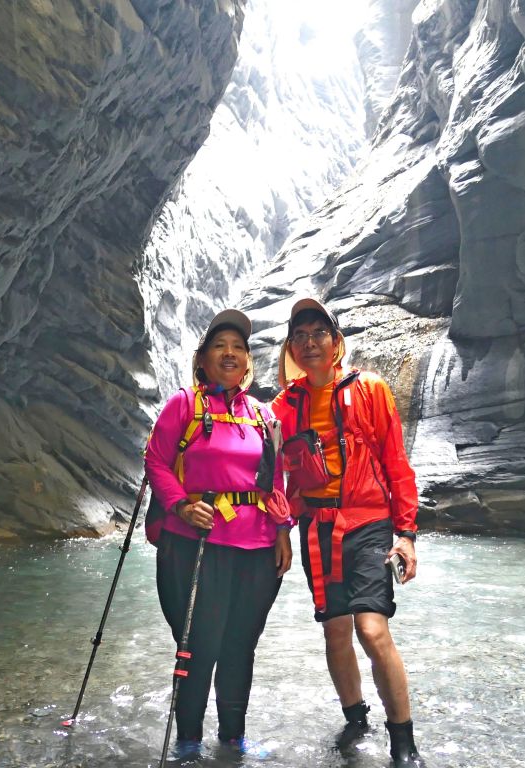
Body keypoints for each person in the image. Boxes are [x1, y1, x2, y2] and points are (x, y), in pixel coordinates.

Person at [270, 298, 423, 767]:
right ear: (291, 348)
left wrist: (407, 532)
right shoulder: (285, 405)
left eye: (319, 333)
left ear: (336, 343)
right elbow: (271, 473)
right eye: (301, 335)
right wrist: (279, 528)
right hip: (315, 526)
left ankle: (403, 741)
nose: (310, 342)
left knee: (371, 629)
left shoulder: (371, 389)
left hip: (369, 523)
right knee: (335, 632)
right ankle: (356, 719)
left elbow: (396, 461)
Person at [145, 308, 293, 760]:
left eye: (239, 347)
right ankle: (188, 741)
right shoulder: (183, 406)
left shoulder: (264, 417)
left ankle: (232, 739)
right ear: (203, 359)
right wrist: (183, 506)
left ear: (248, 361)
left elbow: (274, 480)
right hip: (196, 545)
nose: (230, 353)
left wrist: (284, 531)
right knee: (199, 646)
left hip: (257, 547)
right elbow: (155, 460)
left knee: (240, 645)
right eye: (219, 346)